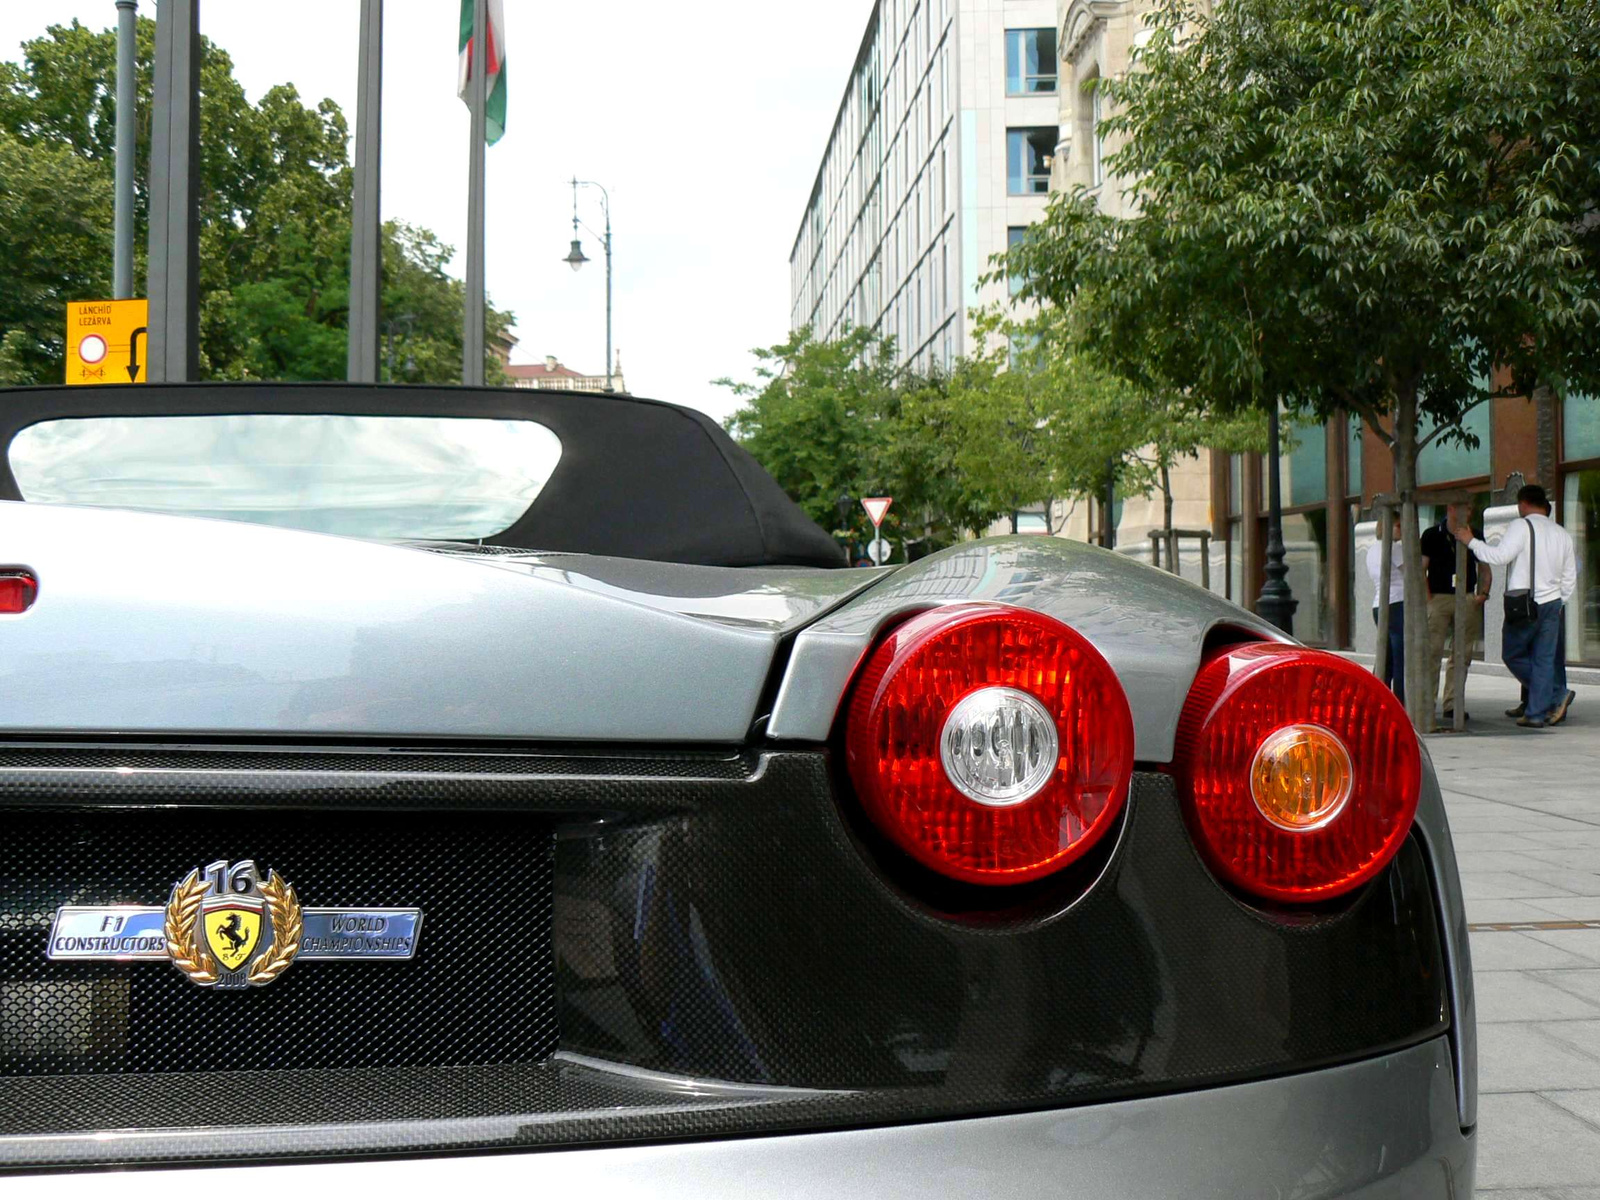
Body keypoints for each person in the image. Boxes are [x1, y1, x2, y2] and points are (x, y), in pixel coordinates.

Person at [1454, 484, 1578, 728]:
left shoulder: (1521, 526)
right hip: (1553, 604)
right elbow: (1570, 575)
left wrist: (1471, 542)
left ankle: (1554, 695)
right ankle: (1535, 713)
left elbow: (1500, 557)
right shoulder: (1562, 533)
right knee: (1544, 659)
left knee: (1512, 654)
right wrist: (1560, 600)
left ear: (1522, 504)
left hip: (1524, 604)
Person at [1420, 505, 1491, 723]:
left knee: (1462, 653)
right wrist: (1428, 598)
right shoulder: (1432, 535)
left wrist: (1483, 593)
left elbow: (1484, 565)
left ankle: (1453, 703)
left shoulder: (1475, 534)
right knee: (1432, 652)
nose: (1467, 513)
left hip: (1466, 597)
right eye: (1463, 508)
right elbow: (1421, 567)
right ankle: (1427, 704)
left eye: (1470, 509)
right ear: (1450, 509)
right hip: (1439, 597)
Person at [1367, 514, 1425, 704]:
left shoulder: (1372, 550)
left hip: (1379, 604)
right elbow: (1411, 571)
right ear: (1389, 527)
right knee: (1401, 657)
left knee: (1386, 657)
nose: (1401, 530)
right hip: (1398, 602)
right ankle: (1401, 701)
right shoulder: (1395, 548)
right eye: (1399, 526)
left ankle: (1376, 696)